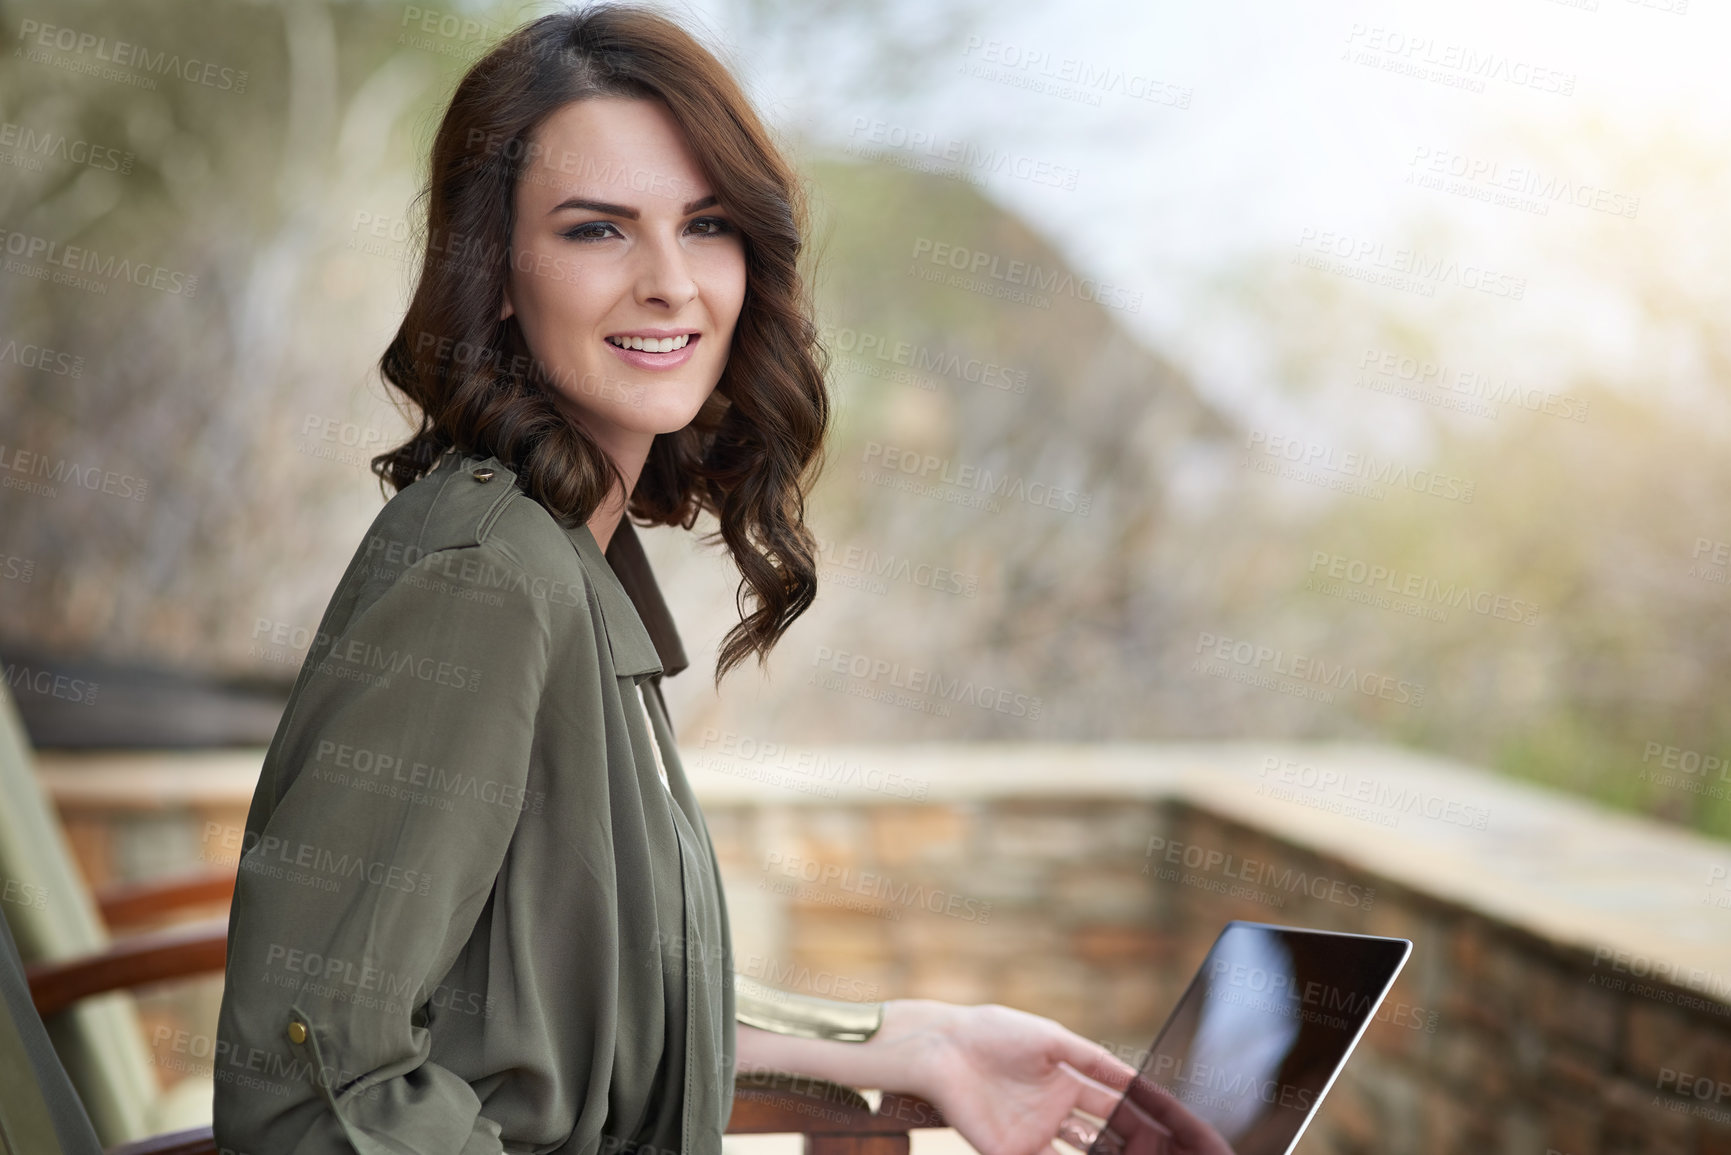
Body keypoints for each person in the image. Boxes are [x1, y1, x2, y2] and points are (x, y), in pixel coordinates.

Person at [213, 6, 1137, 1154]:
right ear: (497, 273)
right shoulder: (483, 579)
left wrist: (900, 1039)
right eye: (597, 231)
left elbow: (577, 995)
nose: (668, 283)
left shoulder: (563, 546)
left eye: (704, 226)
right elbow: (314, 1087)